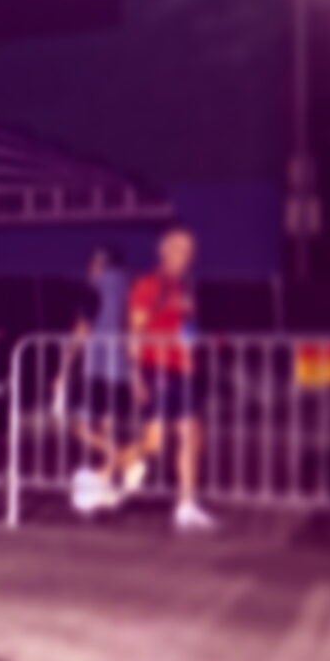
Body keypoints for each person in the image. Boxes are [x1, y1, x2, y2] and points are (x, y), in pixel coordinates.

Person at [129, 223, 217, 532]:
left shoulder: (183, 288)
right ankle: (102, 475)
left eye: (190, 250)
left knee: (193, 435)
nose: (187, 255)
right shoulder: (149, 284)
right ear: (164, 250)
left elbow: (185, 330)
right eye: (180, 248)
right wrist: (136, 376)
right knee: (155, 444)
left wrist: (194, 348)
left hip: (183, 370)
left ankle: (186, 505)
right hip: (158, 368)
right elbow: (135, 332)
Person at [56, 246, 145, 515]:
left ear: (98, 264)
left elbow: (82, 330)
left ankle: (126, 461)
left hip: (97, 370)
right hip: (123, 372)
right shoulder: (130, 289)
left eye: (91, 263)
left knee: (75, 425)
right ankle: (107, 481)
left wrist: (64, 368)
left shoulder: (92, 288)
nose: (89, 268)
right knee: (107, 427)